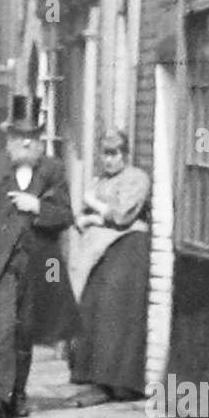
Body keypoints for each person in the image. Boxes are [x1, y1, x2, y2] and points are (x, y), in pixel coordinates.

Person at [0, 95, 79, 418]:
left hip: (39, 266)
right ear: (8, 138)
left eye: (34, 136)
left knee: (25, 333)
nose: (27, 141)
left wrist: (36, 207)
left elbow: (66, 215)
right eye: (20, 135)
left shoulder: (53, 170)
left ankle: (18, 394)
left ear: (40, 140)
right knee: (5, 327)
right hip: (1, 268)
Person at [68, 128, 152, 400]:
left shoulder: (137, 178)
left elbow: (123, 215)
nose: (109, 160)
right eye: (105, 154)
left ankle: (121, 382)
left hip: (129, 248)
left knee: (114, 310)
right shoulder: (100, 181)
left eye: (114, 154)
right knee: (92, 306)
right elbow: (84, 216)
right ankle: (95, 377)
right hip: (102, 250)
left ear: (125, 155)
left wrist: (95, 209)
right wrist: (88, 218)